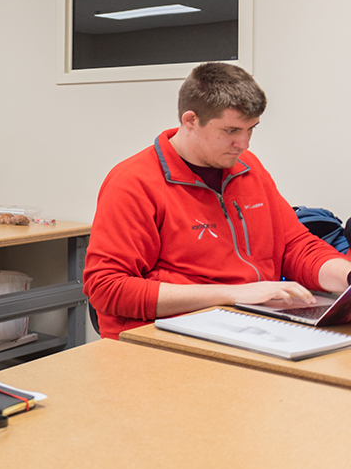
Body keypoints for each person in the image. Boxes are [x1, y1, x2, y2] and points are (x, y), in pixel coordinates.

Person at [84, 62, 351, 340]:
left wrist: (347, 277)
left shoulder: (248, 168)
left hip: (245, 322)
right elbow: (107, 289)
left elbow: (294, 247)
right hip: (158, 338)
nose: (244, 143)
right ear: (190, 121)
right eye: (231, 131)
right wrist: (233, 294)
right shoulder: (133, 182)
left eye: (251, 129)